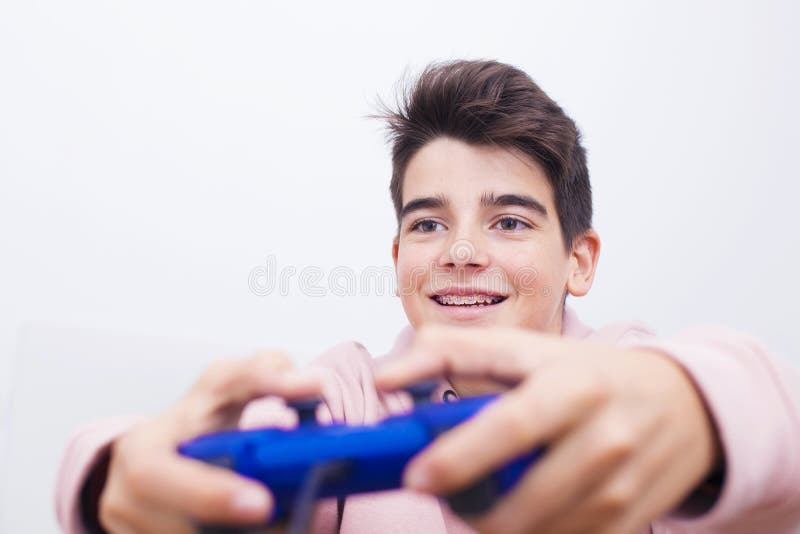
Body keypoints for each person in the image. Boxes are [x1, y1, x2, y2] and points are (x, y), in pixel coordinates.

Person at [55, 60, 800, 534]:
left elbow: (766, 423)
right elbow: (183, 452)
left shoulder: (626, 373)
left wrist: (696, 408)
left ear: (580, 261)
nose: (462, 252)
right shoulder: (347, 388)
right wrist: (114, 475)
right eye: (429, 223)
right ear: (397, 258)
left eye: (508, 220)